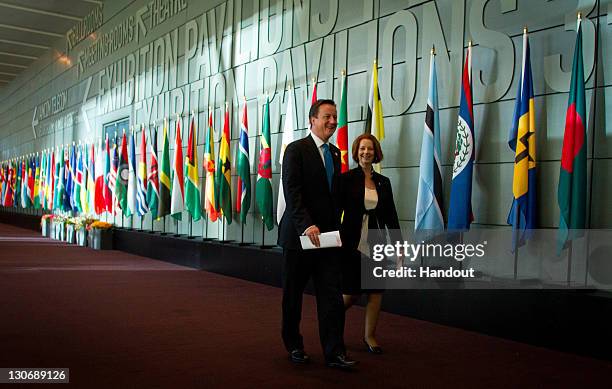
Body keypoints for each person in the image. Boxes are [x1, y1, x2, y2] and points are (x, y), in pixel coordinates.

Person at [278, 99, 357, 369]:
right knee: (293, 296)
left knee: (332, 297)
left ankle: (335, 352)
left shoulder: (335, 154)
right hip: (300, 237)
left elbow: (334, 198)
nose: (333, 121)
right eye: (327, 116)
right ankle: (294, 345)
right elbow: (292, 191)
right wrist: (306, 225)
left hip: (328, 240)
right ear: (312, 119)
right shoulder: (295, 150)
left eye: (335, 117)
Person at [340, 133, 402, 354]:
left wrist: (398, 247)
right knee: (351, 292)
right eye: (362, 149)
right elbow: (336, 211)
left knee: (375, 292)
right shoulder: (346, 179)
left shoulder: (384, 183)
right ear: (356, 152)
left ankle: (370, 336)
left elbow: (391, 217)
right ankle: (331, 325)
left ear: (376, 153)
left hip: (376, 242)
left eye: (371, 149)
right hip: (351, 243)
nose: (366, 152)